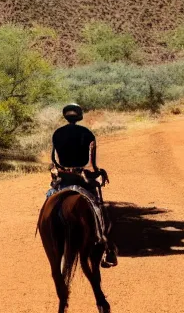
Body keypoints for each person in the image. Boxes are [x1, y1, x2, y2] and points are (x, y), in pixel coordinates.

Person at [50, 103, 118, 268]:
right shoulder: (87, 134)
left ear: (65, 116)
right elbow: (92, 165)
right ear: (79, 116)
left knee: (50, 201)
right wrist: (99, 172)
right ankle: (104, 242)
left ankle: (50, 234)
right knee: (98, 208)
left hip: (63, 178)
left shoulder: (57, 134)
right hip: (82, 178)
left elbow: (54, 160)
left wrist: (59, 171)